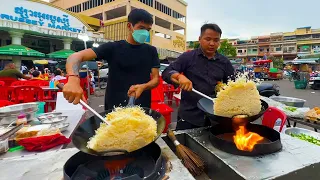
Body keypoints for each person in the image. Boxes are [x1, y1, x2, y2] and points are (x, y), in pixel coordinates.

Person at [62, 9, 160, 108]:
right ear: (129, 26)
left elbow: (156, 79)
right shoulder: (113, 47)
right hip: (114, 106)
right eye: (141, 28)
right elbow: (74, 57)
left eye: (148, 30)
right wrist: (73, 79)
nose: (145, 33)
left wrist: (143, 87)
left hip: (142, 105)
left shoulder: (151, 50)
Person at [162, 23, 235, 130]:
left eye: (216, 40)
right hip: (189, 115)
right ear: (200, 39)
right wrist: (179, 76)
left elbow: (232, 84)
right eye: (208, 39)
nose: (212, 43)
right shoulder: (188, 57)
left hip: (214, 117)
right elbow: (167, 72)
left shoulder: (224, 62)